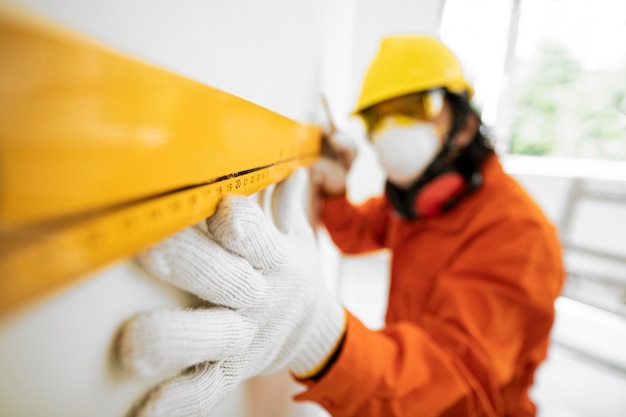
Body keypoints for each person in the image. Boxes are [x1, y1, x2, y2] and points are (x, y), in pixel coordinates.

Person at [118, 35, 565, 417]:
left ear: (465, 123)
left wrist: (320, 335)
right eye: (377, 117)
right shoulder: (424, 202)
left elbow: (451, 379)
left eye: (414, 107)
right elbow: (359, 234)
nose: (391, 130)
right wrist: (334, 192)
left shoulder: (519, 236)